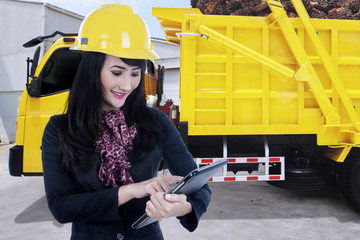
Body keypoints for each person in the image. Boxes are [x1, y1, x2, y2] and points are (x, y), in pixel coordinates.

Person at [40, 4, 211, 240]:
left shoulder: (155, 122)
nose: (127, 85)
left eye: (135, 73)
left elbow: (199, 186)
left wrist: (181, 207)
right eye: (117, 72)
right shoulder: (60, 129)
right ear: (92, 69)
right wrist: (133, 190)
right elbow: (61, 207)